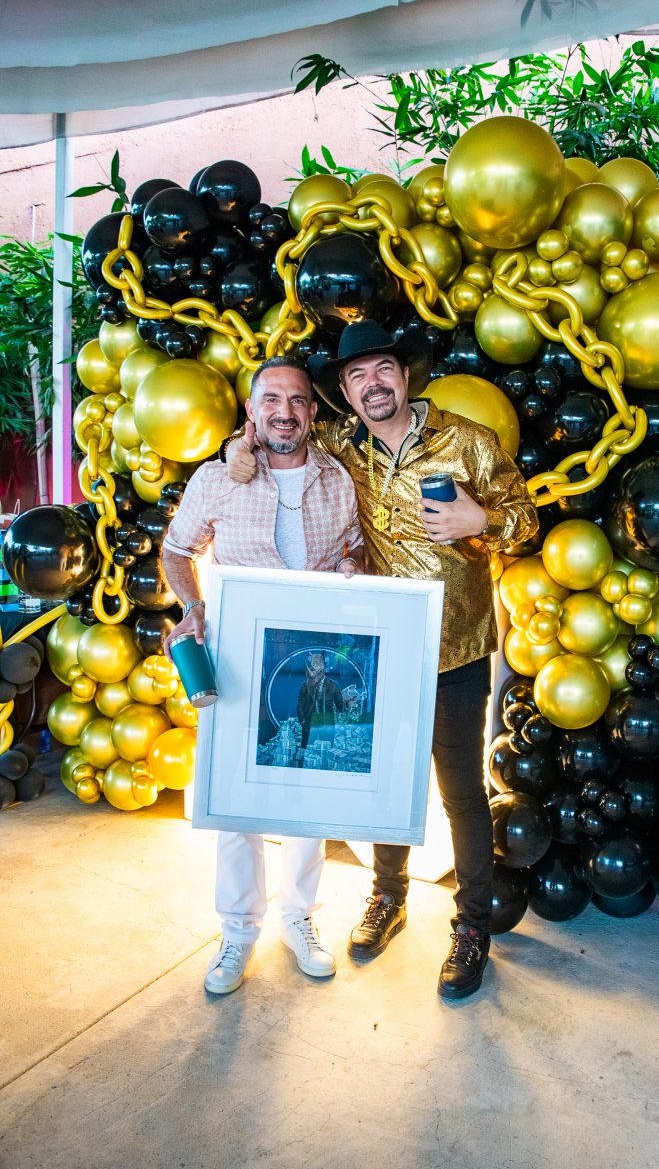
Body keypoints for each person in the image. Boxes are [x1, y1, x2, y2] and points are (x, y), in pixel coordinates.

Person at [225, 320, 537, 1000]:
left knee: (462, 794)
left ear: (405, 375)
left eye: (383, 370)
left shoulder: (467, 440)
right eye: (357, 376)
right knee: (387, 785)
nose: (373, 385)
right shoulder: (340, 444)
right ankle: (388, 897)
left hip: (456, 647)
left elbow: (527, 518)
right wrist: (238, 448)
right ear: (344, 391)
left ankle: (472, 926)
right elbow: (280, 435)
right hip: (381, 649)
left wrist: (481, 522)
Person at [162, 357, 363, 996]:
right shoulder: (216, 479)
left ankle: (299, 918)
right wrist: (192, 607)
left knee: (309, 788)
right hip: (238, 657)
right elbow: (176, 551)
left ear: (313, 412)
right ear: (251, 410)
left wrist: (354, 566)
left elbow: (356, 547)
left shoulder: (338, 480)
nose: (285, 412)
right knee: (236, 801)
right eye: (271, 399)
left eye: (297, 400)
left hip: (312, 661)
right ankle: (237, 930)